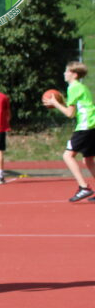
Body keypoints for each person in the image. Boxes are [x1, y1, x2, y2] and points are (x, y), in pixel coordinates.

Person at [43, 61, 95, 202]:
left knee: (67, 156)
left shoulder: (73, 88)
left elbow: (70, 114)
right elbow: (76, 108)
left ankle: (84, 187)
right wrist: (59, 103)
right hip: (92, 125)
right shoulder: (82, 87)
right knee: (88, 160)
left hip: (84, 126)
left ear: (74, 74)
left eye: (67, 71)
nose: (64, 73)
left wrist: (55, 103)